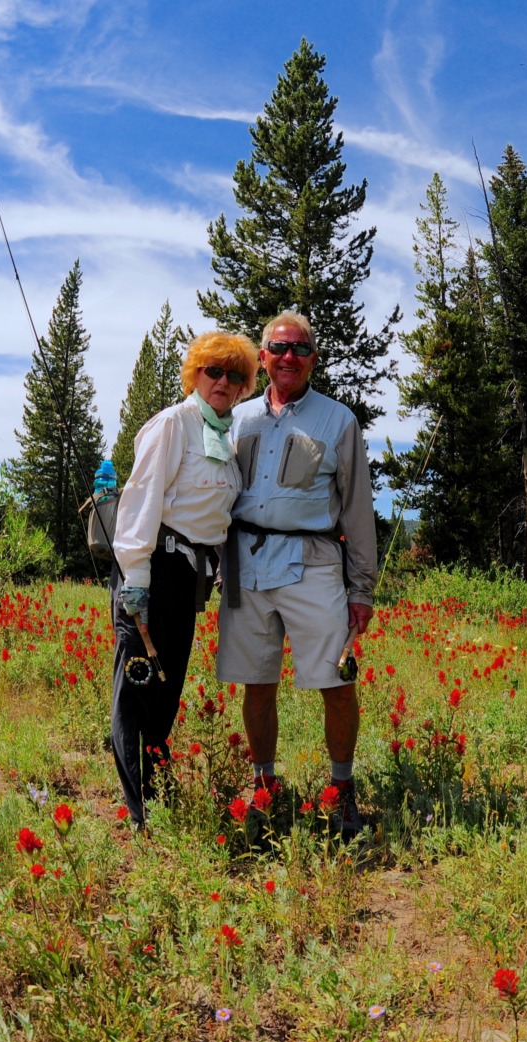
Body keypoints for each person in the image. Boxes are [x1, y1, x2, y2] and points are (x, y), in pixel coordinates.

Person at [217, 311, 377, 839]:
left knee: (335, 681)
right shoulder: (236, 420)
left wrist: (362, 587)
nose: (289, 358)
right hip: (246, 564)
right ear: (261, 357)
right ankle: (264, 786)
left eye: (300, 349)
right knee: (257, 682)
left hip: (314, 564)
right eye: (279, 348)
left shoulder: (338, 421)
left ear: (313, 359)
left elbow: (356, 509)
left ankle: (342, 791)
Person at [109, 331, 260, 830]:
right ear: (195, 374)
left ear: (243, 386)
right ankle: (141, 813)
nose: (223, 382)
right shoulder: (175, 423)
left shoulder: (224, 434)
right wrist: (135, 578)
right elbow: (141, 498)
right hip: (151, 567)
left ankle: (154, 790)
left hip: (188, 575)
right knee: (138, 688)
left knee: (166, 691)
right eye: (213, 371)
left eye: (234, 375)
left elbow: (214, 513)